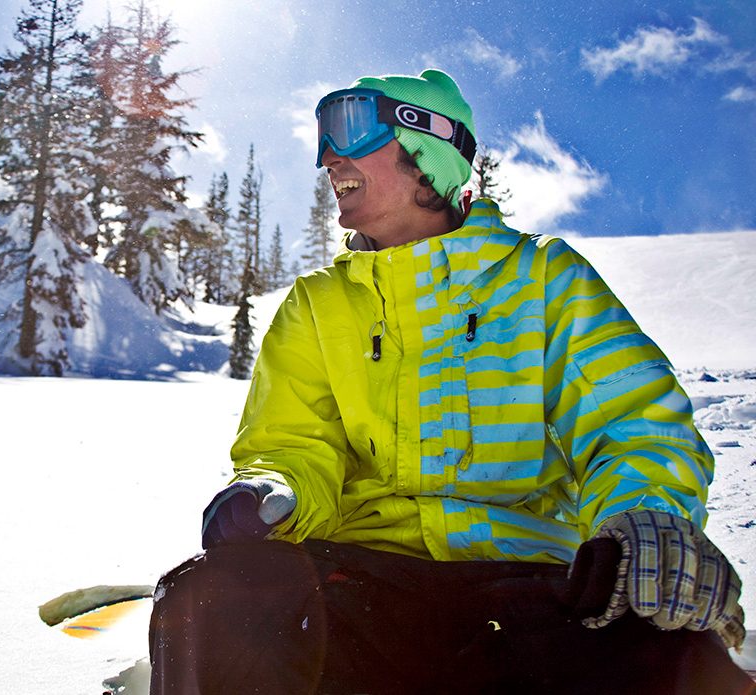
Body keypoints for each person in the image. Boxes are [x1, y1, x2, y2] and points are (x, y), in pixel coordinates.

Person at [148, 69, 751, 695]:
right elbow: (293, 442)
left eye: (350, 129)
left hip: (530, 580)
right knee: (208, 598)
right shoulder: (316, 306)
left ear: (429, 148)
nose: (329, 158)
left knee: (672, 651)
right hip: (362, 577)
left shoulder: (544, 279)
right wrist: (275, 492)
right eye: (322, 138)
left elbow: (630, 425)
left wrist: (645, 516)